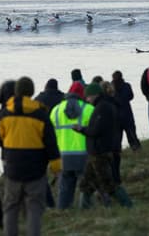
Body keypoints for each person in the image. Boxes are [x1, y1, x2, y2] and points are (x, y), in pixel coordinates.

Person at [0, 77, 60, 236]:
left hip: (12, 168)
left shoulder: (4, 114)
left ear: (16, 91)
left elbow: (0, 138)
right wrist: (56, 166)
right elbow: (51, 143)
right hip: (35, 169)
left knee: (10, 208)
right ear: (31, 92)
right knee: (34, 209)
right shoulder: (40, 114)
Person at [73, 83, 132, 209]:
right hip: (96, 151)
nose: (87, 100)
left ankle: (128, 205)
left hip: (100, 152)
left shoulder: (102, 108)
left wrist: (81, 129)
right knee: (86, 183)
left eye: (88, 97)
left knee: (108, 184)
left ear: (95, 95)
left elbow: (96, 131)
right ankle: (84, 209)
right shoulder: (104, 106)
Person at [50, 81, 94, 209]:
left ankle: (62, 210)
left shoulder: (56, 110)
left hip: (63, 156)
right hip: (84, 155)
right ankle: (86, 210)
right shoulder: (88, 109)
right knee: (86, 185)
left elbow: (50, 134)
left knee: (65, 186)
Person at [112, 71, 141, 150]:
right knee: (131, 132)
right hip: (127, 111)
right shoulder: (127, 85)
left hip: (116, 113)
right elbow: (131, 96)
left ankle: (117, 150)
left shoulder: (111, 87)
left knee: (118, 135)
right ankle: (135, 147)